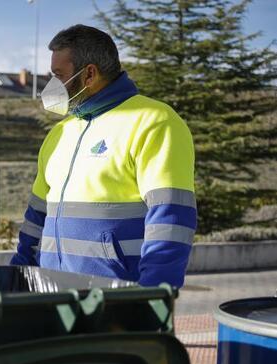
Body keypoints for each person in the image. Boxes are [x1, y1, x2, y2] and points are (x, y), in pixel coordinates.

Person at [10, 25, 197, 288]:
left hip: (119, 299)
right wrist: (18, 277)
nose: (51, 85)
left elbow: (171, 217)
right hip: (53, 295)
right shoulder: (60, 133)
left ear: (89, 74)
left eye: (58, 75)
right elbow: (36, 217)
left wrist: (155, 295)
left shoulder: (154, 122)